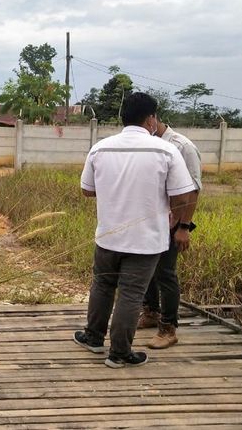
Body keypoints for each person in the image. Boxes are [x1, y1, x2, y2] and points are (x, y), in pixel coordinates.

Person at [74, 92, 195, 369]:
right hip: (146, 241)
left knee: (102, 285)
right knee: (130, 293)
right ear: (151, 118)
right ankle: (119, 353)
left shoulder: (100, 148)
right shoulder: (166, 151)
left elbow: (86, 190)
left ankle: (93, 337)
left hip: (107, 236)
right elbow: (183, 196)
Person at [138, 119, 202, 349]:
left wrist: (184, 227)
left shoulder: (182, 147)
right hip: (150, 220)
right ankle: (151, 312)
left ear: (152, 119)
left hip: (172, 223)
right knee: (147, 268)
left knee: (165, 273)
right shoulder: (146, 144)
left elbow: (193, 190)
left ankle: (168, 328)